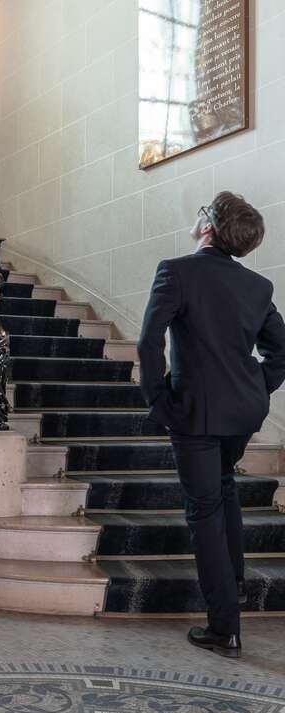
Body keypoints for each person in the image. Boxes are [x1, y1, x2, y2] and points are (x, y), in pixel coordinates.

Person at [138, 191, 285, 659]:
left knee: (204, 510)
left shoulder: (176, 271)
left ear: (207, 226)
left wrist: (159, 400)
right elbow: (281, 351)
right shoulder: (257, 286)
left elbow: (148, 342)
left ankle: (224, 628)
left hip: (196, 413)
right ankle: (233, 585)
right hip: (243, 411)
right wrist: (258, 385)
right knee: (223, 489)